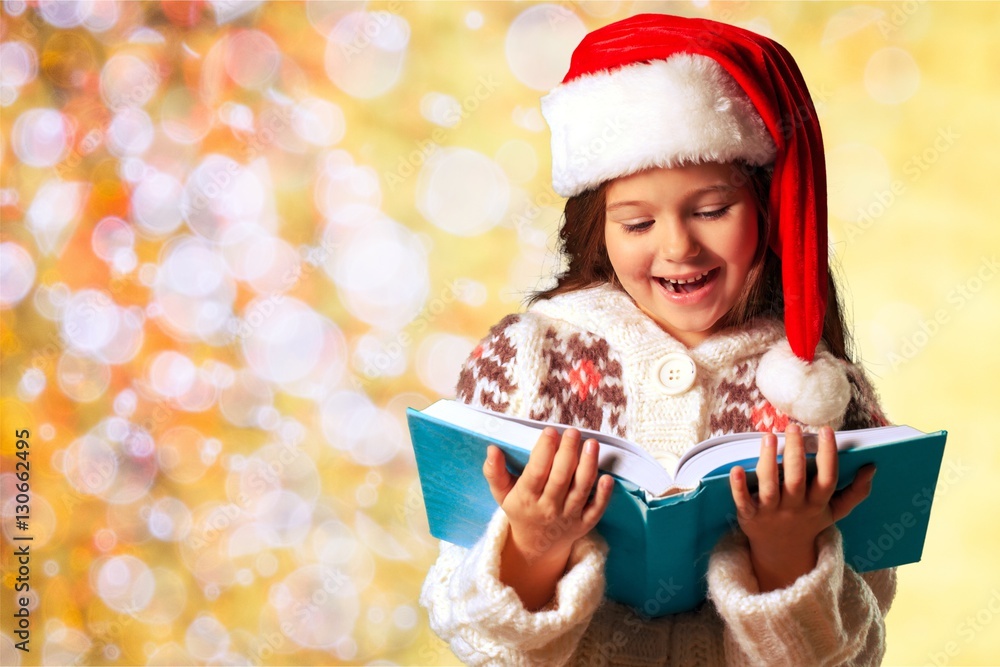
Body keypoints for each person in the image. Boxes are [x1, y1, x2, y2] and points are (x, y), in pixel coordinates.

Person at [420, 13, 895, 666]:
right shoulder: (524, 360)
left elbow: (859, 652)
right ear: (598, 229)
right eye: (637, 221)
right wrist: (532, 548)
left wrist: (786, 556)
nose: (677, 246)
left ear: (764, 207)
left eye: (710, 210)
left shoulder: (822, 390)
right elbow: (472, 636)